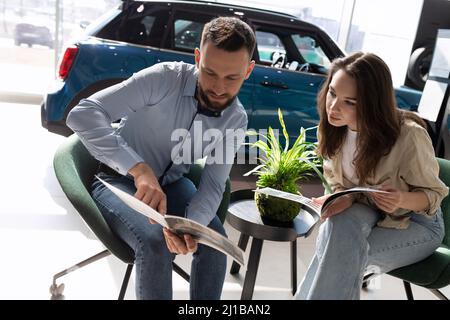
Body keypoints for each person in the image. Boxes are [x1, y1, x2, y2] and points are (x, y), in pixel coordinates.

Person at [66, 16, 255, 300]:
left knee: (215, 245)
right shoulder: (163, 78)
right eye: (210, 73)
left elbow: (214, 184)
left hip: (175, 186)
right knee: (154, 243)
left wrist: (191, 226)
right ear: (197, 57)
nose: (218, 87)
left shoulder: (235, 119)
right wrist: (138, 168)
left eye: (232, 78)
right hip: (119, 181)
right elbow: (82, 114)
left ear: (249, 71)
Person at [294, 52, 448, 300]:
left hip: (417, 223)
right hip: (369, 208)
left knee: (340, 251)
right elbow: (342, 185)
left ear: (372, 102)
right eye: (333, 93)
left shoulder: (408, 135)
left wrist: (400, 199)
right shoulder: (335, 129)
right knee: (337, 230)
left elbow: (433, 196)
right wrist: (342, 197)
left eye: (350, 102)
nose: (333, 107)